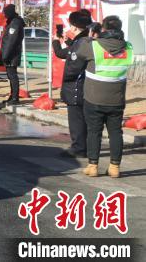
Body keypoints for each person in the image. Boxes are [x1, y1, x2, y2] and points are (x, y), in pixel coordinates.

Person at [76, 16, 133, 178]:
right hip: (116, 99)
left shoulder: (93, 46)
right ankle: (115, 167)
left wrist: (90, 35)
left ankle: (93, 166)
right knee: (116, 132)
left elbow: (79, 51)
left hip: (94, 98)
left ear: (104, 29)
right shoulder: (128, 47)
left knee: (94, 132)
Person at [52, 10, 92, 158]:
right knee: (84, 119)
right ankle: (85, 146)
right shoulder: (87, 41)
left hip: (77, 87)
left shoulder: (80, 44)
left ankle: (79, 148)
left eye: (70, 26)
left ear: (75, 27)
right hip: (88, 87)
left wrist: (65, 82)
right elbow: (68, 52)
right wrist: (64, 42)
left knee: (76, 120)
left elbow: (72, 67)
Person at [0, 4, 25, 108]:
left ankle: (15, 98)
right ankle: (12, 95)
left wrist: (5, 55)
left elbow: (11, 41)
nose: (4, 14)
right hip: (10, 53)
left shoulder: (15, 23)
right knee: (11, 76)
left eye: (5, 12)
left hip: (12, 54)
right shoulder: (12, 22)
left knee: (13, 76)